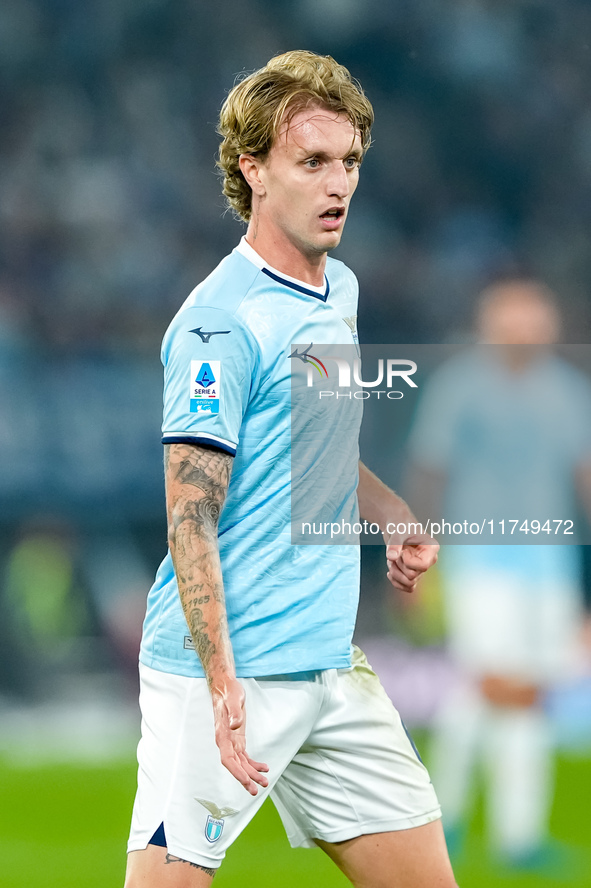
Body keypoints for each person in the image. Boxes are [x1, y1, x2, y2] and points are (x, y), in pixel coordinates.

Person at [125, 50, 457, 888]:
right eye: (311, 162)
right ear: (254, 171)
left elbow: (318, 444)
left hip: (328, 667)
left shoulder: (335, 288)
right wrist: (222, 682)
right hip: (229, 673)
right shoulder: (217, 325)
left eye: (347, 161)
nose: (337, 182)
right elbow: (189, 512)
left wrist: (388, 514)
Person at [407, 280, 591, 868]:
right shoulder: (460, 384)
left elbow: (583, 476)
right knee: (493, 683)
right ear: (492, 321)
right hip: (481, 554)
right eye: (518, 316)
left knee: (528, 692)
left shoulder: (568, 390)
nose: (530, 326)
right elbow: (429, 469)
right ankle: (447, 819)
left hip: (550, 560)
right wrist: (416, 548)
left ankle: (513, 834)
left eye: (537, 316)